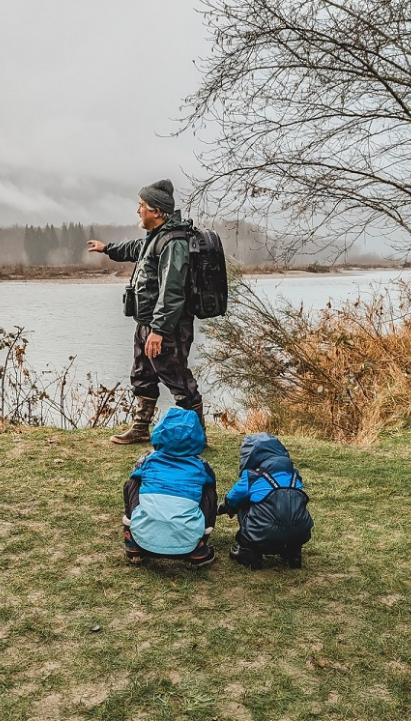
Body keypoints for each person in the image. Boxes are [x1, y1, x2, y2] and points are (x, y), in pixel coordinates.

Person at [87, 179, 202, 444]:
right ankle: (140, 428)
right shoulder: (156, 238)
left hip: (167, 328)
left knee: (177, 378)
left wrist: (159, 330)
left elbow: (172, 291)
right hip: (147, 324)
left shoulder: (174, 243)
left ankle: (197, 435)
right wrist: (107, 248)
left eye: (142, 206)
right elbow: (134, 249)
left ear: (157, 211)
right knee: (143, 374)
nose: (138, 210)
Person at [121, 407, 216, 567]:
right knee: (209, 490)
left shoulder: (147, 460)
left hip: (143, 540)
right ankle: (199, 547)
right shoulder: (202, 466)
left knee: (132, 482)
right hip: (187, 545)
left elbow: (133, 479)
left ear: (159, 432)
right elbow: (210, 485)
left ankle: (132, 537)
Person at [219, 433, 312, 569]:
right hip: (299, 534)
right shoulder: (294, 475)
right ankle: (293, 552)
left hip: (262, 536)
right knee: (290, 503)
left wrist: (226, 507)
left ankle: (248, 552)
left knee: (243, 501)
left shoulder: (252, 476)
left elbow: (232, 498)